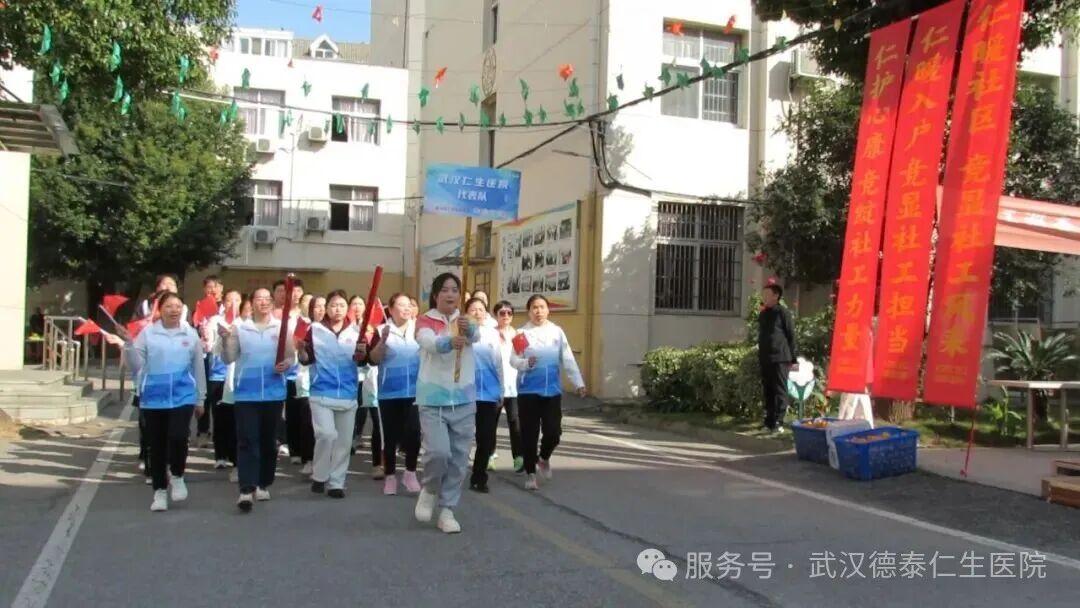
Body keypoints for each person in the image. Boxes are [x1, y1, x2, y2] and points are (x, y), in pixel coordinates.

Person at [123, 292, 206, 512]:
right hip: (153, 398)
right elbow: (136, 366)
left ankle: (177, 475)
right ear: (160, 310)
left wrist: (201, 398)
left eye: (178, 306)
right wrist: (129, 344)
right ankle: (159, 491)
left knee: (179, 436)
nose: (174, 310)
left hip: (183, 396)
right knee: (157, 445)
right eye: (169, 306)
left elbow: (198, 368)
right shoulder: (148, 334)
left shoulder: (190, 334)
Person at [414, 273, 479, 534]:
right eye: (445, 290)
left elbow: (476, 336)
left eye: (455, 290)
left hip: (464, 398)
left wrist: (468, 328)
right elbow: (428, 342)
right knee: (438, 453)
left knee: (459, 458)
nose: (450, 294)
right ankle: (430, 489)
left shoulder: (467, 321)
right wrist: (449, 342)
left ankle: (447, 509)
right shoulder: (424, 320)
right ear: (435, 294)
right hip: (433, 398)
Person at [220, 287, 295, 512]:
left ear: (272, 303)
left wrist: (286, 364)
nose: (263, 302)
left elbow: (290, 356)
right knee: (247, 439)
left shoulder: (281, 327)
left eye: (267, 299)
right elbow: (229, 357)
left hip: (273, 393)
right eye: (258, 298)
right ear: (251, 302)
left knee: (268, 441)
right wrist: (225, 339)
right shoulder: (240, 328)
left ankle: (263, 483)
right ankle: (246, 488)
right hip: (246, 393)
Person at [510, 294, 586, 491]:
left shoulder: (556, 332)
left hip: (552, 391)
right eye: (534, 307)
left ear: (548, 310)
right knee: (529, 434)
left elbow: (567, 359)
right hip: (528, 391)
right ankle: (530, 473)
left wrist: (578, 383)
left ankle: (543, 458)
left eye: (542, 307)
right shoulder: (521, 334)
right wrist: (526, 363)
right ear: (529, 311)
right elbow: (513, 360)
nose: (539, 311)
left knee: (553, 432)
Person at [297, 290, 364, 498]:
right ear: (326, 308)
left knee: (344, 442)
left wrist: (362, 353)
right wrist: (301, 350)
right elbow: (306, 359)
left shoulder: (356, 331)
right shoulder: (315, 330)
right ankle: (319, 475)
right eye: (333, 305)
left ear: (347, 309)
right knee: (326, 434)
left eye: (342, 305)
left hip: (348, 393)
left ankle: (336, 483)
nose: (337, 309)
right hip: (321, 391)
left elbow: (363, 360)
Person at [367, 293, 422, 496]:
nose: (406, 308)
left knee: (414, 432)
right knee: (390, 436)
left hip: (415, 391)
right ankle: (390, 476)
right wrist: (382, 341)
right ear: (390, 309)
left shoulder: (419, 328)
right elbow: (373, 359)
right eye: (401, 305)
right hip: (389, 392)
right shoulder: (381, 330)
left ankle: (410, 473)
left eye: (409, 305)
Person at [467, 298, 503, 493]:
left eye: (481, 309)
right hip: (465, 394)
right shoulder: (460, 332)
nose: (478, 313)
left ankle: (479, 477)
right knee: (462, 437)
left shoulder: (492, 334)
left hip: (488, 393)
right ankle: (452, 472)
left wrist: (501, 390)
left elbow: (498, 363)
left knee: (485, 437)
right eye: (473, 309)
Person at [209, 289, 241, 471]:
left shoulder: (243, 324)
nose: (233, 304)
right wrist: (223, 338)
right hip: (219, 376)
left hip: (236, 377)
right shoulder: (215, 321)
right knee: (220, 417)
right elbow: (212, 349)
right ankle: (220, 454)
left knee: (236, 418)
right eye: (229, 300)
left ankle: (235, 455)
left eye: (237, 300)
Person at [757, 284, 796, 433]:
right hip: (765, 357)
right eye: (763, 295)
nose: (764, 298)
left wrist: (793, 358)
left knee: (780, 389)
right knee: (768, 390)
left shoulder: (783, 313)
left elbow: (791, 335)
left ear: (776, 296)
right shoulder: (763, 314)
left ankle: (779, 421)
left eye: (767, 294)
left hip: (780, 357)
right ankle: (769, 421)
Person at [493, 300, 524, 473]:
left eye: (509, 313)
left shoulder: (518, 335)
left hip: (513, 387)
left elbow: (523, 357)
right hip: (495, 387)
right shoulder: (491, 334)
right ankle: (490, 455)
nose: (506, 316)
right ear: (496, 315)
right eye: (502, 313)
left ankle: (518, 457)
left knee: (515, 422)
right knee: (491, 424)